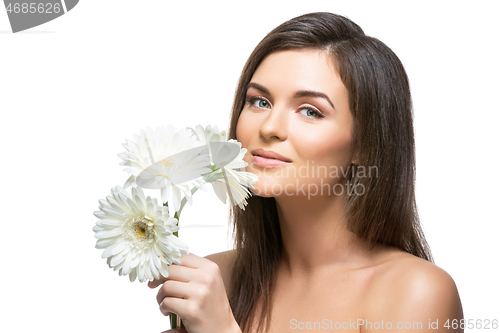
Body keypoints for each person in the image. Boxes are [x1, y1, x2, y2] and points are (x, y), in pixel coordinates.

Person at [148, 12, 463, 333]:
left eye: (310, 111)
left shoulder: (415, 294)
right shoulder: (214, 280)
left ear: (365, 146)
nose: (270, 127)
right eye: (259, 101)